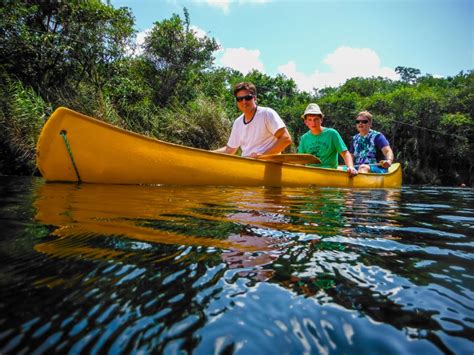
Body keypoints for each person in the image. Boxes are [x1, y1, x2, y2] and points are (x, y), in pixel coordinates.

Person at [213, 82, 292, 158]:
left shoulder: (266, 114)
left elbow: (285, 139)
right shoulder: (238, 122)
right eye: (240, 99)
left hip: (269, 165)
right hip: (248, 166)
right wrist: (204, 154)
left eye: (247, 98)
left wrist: (263, 156)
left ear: (254, 98)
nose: (244, 101)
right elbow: (229, 150)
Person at [298, 103, 358, 177]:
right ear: (306, 122)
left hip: (329, 171)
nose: (313, 123)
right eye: (310, 120)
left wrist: (350, 167)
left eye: (316, 119)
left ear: (321, 120)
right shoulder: (304, 138)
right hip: (310, 172)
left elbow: (345, 153)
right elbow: (300, 161)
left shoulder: (332, 133)